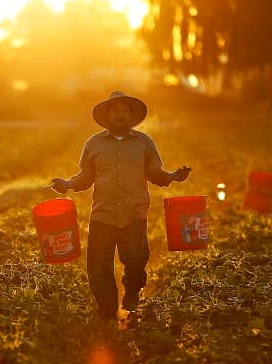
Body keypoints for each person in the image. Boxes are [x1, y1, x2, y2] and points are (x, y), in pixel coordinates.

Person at [50, 90, 191, 321]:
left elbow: (155, 173)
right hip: (102, 213)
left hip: (134, 212)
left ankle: (132, 293)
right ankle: (107, 313)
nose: (120, 115)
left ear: (131, 115)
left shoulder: (144, 143)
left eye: (124, 111)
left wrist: (174, 176)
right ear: (107, 115)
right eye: (115, 110)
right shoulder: (93, 143)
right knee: (98, 267)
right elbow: (85, 176)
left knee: (136, 259)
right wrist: (67, 184)